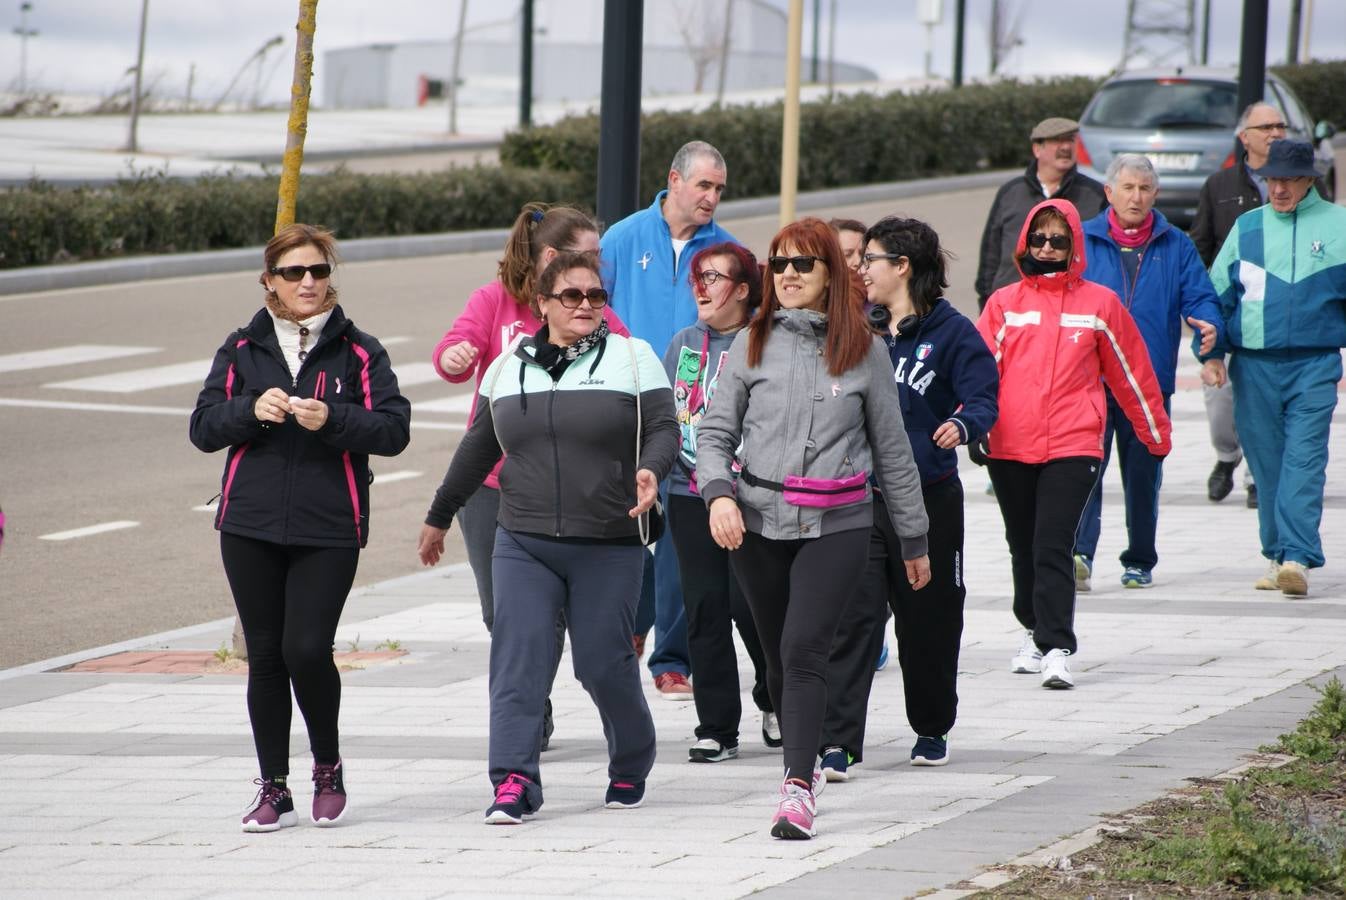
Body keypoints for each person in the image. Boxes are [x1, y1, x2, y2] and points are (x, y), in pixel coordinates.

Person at [418, 251, 678, 824]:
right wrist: (440, 515)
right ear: (542, 303)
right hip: (523, 538)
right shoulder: (509, 366)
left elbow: (663, 426)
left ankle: (632, 758)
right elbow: (479, 447)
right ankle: (513, 780)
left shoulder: (632, 359)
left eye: (595, 296)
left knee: (601, 664)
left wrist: (652, 471)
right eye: (572, 296)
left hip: (609, 539)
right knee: (519, 659)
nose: (586, 305)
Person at [696, 217, 931, 840]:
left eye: (803, 264)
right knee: (778, 658)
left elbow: (893, 450)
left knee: (803, 651)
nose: (790, 275)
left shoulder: (866, 351)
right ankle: (801, 753)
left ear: (830, 272)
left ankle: (798, 787)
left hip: (839, 522)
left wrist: (913, 538)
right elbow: (714, 434)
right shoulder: (751, 342)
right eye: (779, 265)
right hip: (755, 525)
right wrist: (718, 494)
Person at [190, 224, 412, 832]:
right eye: (293, 273)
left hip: (328, 524)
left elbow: (394, 430)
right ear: (270, 281)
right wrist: (248, 411)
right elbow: (203, 427)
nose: (308, 282)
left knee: (307, 648)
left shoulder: (359, 349)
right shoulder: (242, 348)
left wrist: (334, 418)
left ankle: (327, 766)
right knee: (265, 655)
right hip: (249, 523)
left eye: (317, 271)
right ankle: (273, 787)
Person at [431, 202, 629, 748]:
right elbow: (453, 348)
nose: (597, 271)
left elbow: (629, 367)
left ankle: (523, 717)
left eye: (599, 259)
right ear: (550, 258)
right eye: (587, 256)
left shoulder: (597, 311)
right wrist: (456, 357)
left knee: (545, 614)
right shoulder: (495, 300)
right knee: (502, 612)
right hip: (492, 484)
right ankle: (531, 703)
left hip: (565, 489)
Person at [820, 216, 999, 779]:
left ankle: (931, 727)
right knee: (853, 620)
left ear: (902, 267)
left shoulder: (953, 332)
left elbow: (984, 397)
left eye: (869, 259)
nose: (860, 269)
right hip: (859, 500)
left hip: (928, 500)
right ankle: (839, 742)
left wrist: (964, 424)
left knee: (930, 620)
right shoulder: (854, 329)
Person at [977, 199, 1170, 690]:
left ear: (1073, 246)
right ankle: (1033, 630)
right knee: (1022, 546)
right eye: (1038, 239)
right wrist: (970, 426)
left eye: (1057, 240)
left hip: (1074, 444)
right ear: (1025, 243)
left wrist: (1154, 433)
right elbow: (977, 374)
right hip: (1010, 445)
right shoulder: (1004, 303)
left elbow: (1131, 372)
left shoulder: (1100, 304)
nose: (1046, 247)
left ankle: (1058, 646)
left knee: (1053, 545)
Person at [600, 140, 737, 699]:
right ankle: (628, 627)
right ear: (674, 180)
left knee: (683, 536)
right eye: (704, 185)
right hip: (626, 405)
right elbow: (593, 308)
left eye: (720, 190)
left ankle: (672, 658)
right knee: (629, 527)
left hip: (695, 416)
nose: (711, 198)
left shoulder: (726, 249)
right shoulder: (623, 238)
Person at [1073, 155, 1223, 591]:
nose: (1136, 197)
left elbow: (1201, 298)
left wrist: (1210, 329)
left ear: (1155, 194)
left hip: (1147, 385)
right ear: (1109, 193)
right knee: (1084, 470)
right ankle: (1080, 554)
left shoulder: (1174, 244)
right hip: (1091, 382)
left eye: (1144, 189)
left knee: (1144, 477)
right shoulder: (1083, 240)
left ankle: (1139, 559)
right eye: (1128, 188)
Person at [1206, 139, 1346, 598]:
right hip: (1255, 367)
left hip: (1314, 364)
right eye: (1272, 180)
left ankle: (1298, 558)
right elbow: (1216, 298)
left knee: (1304, 461)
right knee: (1266, 467)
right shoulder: (1247, 228)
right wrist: (1209, 353)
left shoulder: (1340, 225)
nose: (1279, 189)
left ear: (1309, 180)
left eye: (1289, 179)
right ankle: (1277, 553)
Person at [662, 241, 777, 763]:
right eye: (697, 279)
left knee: (751, 605)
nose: (702, 288)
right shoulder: (684, 343)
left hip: (753, 496)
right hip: (691, 494)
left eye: (714, 277)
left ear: (745, 289)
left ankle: (775, 698)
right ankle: (717, 727)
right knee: (705, 607)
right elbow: (669, 418)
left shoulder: (766, 341)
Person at [1191, 103, 1293, 508]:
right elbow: (1200, 246)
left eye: (1280, 126)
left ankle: (1256, 476)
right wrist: (1199, 302)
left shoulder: (1301, 184)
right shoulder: (1217, 186)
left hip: (1275, 315)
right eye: (1266, 126)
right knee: (1219, 397)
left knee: (1266, 399)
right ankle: (1226, 456)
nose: (1275, 133)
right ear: (1244, 136)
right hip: (1226, 311)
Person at [975, 117, 1107, 311]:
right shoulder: (1011, 193)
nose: (1065, 147)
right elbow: (990, 257)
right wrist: (987, 302)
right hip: (1011, 309)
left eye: (1070, 140)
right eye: (1056, 141)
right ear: (1037, 149)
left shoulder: (1095, 196)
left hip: (1071, 311)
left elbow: (1105, 259)